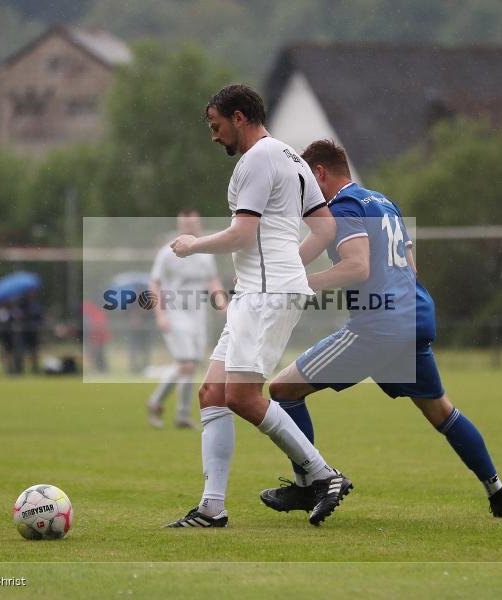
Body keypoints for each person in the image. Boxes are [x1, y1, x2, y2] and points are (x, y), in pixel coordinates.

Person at [255, 140, 502, 519]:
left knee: (282, 389)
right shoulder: (383, 203)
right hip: (412, 320)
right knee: (442, 413)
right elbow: (410, 269)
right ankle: (497, 491)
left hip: (377, 328)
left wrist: (303, 284)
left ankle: (310, 484)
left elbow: (357, 267)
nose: (304, 196)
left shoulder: (343, 207)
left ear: (319, 174)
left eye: (305, 184)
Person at [165, 84, 349, 528]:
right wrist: (291, 271)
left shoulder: (257, 159)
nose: (214, 136)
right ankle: (212, 507)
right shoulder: (290, 157)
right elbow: (324, 230)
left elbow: (243, 235)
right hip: (262, 288)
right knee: (212, 393)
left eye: (217, 125)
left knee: (243, 397)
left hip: (265, 293)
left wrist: (192, 246)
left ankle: (324, 474)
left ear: (240, 117)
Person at [146, 210, 226, 430]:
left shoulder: (205, 252)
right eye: (188, 225)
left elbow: (212, 280)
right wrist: (160, 314)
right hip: (175, 313)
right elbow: (154, 283)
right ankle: (182, 416)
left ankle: (155, 402)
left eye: (195, 224)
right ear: (181, 226)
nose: (193, 228)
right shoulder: (167, 253)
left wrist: (222, 304)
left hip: (198, 314)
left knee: (188, 365)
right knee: (187, 364)